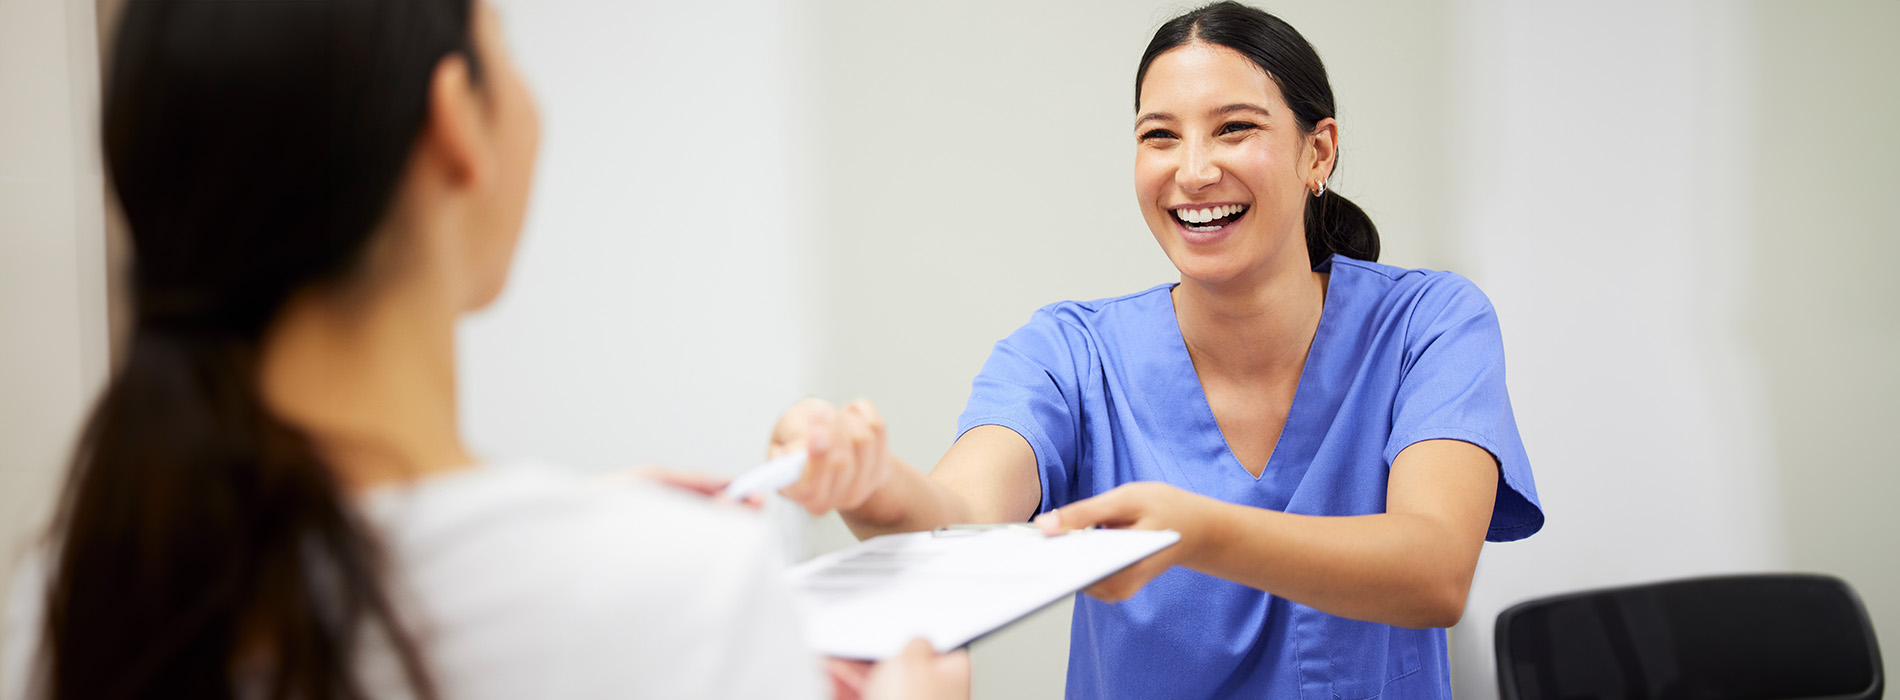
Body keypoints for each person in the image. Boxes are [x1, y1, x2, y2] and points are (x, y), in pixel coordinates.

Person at [0, 1, 966, 699]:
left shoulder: (70, 599)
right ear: (455, 117)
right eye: (507, 49)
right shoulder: (678, 596)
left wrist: (560, 525)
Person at [766, 3, 1543, 698]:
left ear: (1319, 153)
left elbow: (1435, 569)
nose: (1194, 171)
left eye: (1235, 127)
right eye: (1159, 136)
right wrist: (868, 483)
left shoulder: (1429, 324)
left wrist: (1196, 533)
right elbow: (960, 522)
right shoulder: (1070, 353)